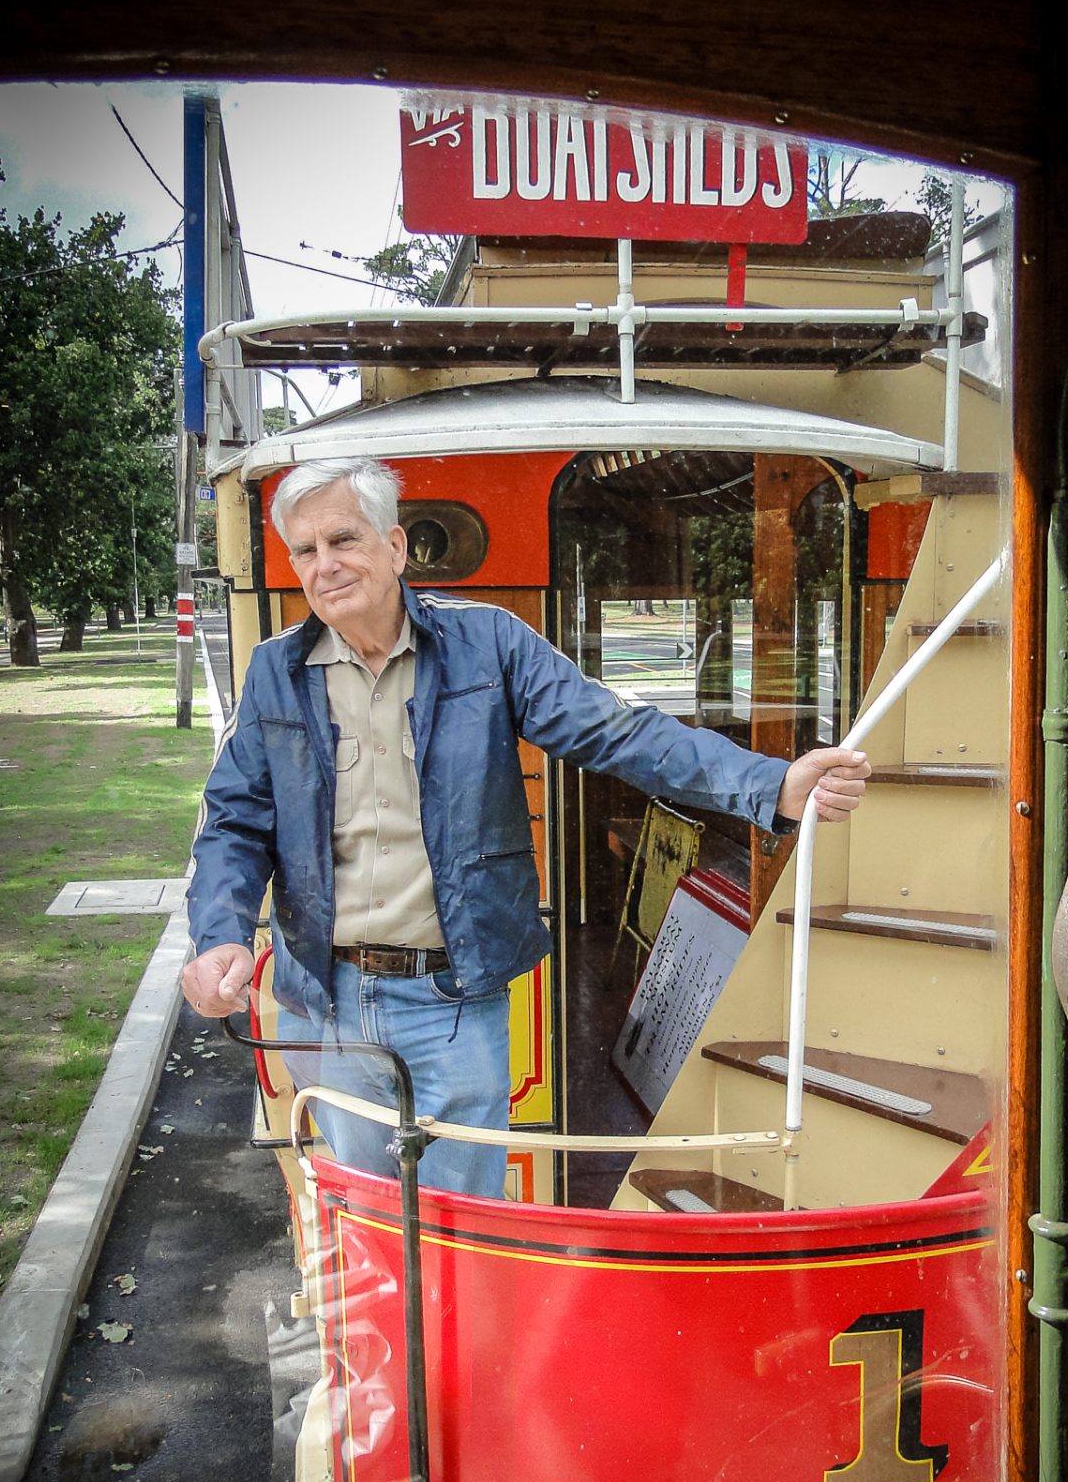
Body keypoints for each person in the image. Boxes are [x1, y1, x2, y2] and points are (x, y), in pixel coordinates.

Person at [181, 454, 871, 1199]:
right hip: (328, 999)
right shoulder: (274, 672)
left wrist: (768, 783)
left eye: (344, 540)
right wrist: (218, 933)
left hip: (451, 996)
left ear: (394, 547)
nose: (326, 565)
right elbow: (233, 823)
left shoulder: (489, 644)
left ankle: (462, 1322)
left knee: (465, 1221)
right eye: (306, 551)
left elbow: (618, 733)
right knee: (369, 1217)